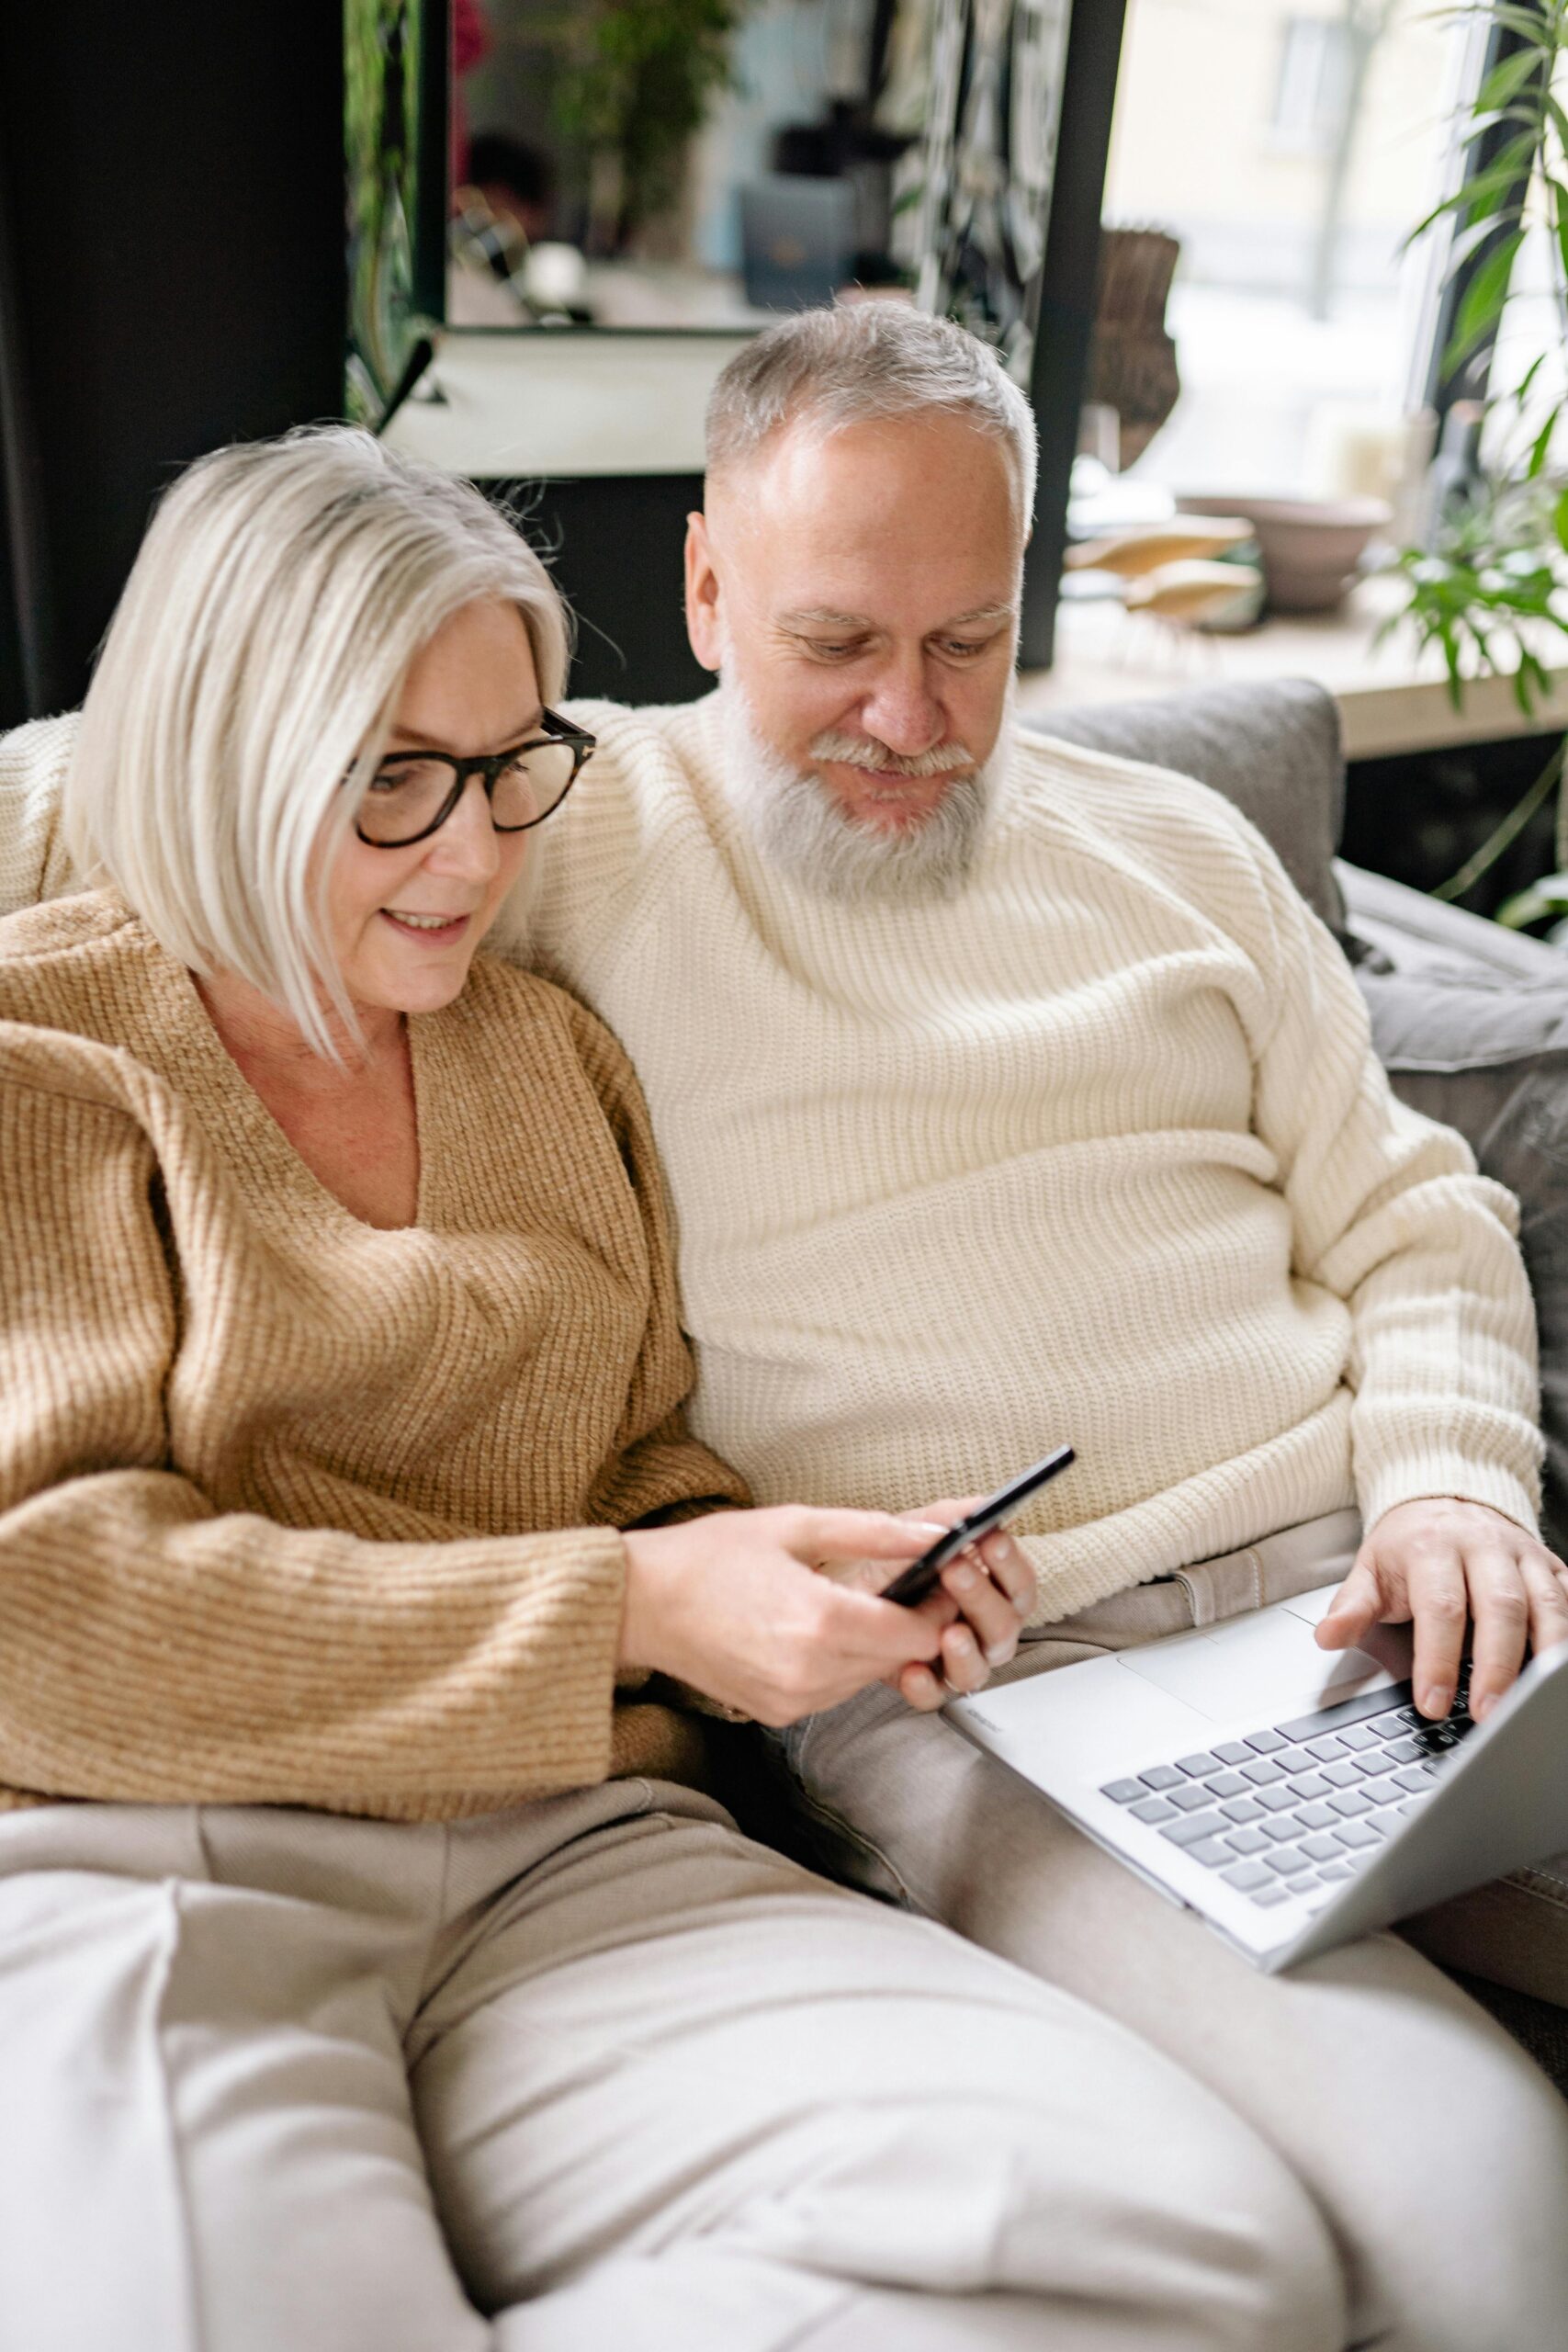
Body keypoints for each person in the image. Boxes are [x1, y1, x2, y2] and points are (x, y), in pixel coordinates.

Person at [0, 425, 1355, 2352]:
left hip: (574, 1846)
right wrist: (631, 1605)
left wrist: (773, 1586)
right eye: (395, 778)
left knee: (1196, 2240)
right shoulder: (47, 1054)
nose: (475, 850)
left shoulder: (542, 1057)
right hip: (158, 1850)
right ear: (222, 748)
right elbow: (40, 1606)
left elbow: (628, 1451)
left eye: (511, 763)